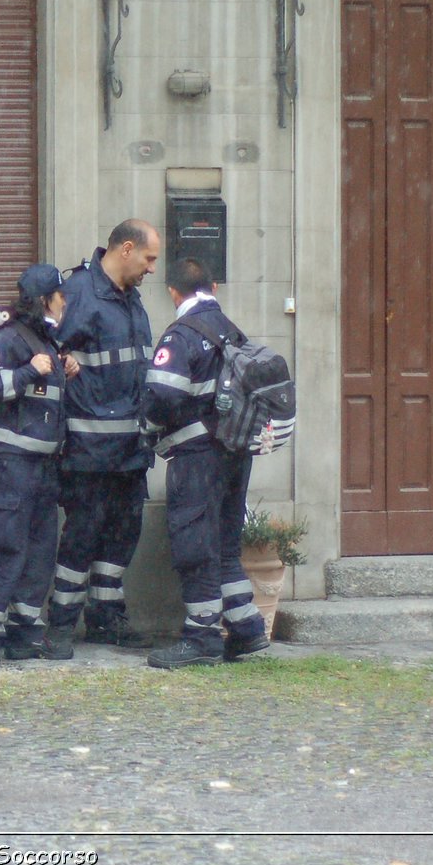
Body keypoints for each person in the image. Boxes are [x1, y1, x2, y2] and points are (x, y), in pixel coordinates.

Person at [142, 257, 270, 668]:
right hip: (235, 452)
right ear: (213, 287)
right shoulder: (232, 331)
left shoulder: (180, 335)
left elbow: (162, 396)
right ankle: (247, 627)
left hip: (197, 457)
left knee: (194, 543)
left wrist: (147, 424)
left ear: (173, 291)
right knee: (225, 543)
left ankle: (201, 636)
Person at [42, 218, 160, 658]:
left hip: (131, 449)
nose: (152, 268)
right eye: (148, 258)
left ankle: (106, 619)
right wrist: (63, 362)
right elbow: (44, 351)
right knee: (82, 534)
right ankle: (59, 624)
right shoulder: (79, 294)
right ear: (125, 249)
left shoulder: (131, 301)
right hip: (88, 447)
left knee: (122, 534)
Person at [0, 264, 68, 672]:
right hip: (10, 466)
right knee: (4, 547)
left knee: (39, 551)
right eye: (60, 296)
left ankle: (25, 632)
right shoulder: (7, 340)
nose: (65, 303)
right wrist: (27, 371)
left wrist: (61, 369)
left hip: (43, 467)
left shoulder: (46, 341)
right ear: (44, 300)